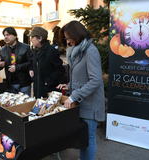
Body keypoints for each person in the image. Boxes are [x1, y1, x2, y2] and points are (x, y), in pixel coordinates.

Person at [57, 20, 105, 160]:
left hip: (91, 104)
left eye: (68, 36)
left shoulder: (90, 51)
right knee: (83, 140)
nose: (67, 40)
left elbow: (96, 80)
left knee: (88, 140)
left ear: (77, 34)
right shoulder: (78, 51)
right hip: (82, 102)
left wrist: (74, 95)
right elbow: (80, 76)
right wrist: (69, 85)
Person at [29, 26, 65, 98]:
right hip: (37, 89)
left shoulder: (51, 51)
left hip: (49, 90)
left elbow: (60, 70)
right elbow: (33, 64)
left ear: (40, 38)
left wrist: (47, 82)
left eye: (32, 37)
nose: (30, 40)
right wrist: (31, 70)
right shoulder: (35, 50)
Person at [0, 27, 32, 95]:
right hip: (11, 84)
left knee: (25, 105)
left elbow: (31, 63)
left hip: (24, 83)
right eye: (4, 35)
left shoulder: (25, 47)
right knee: (13, 105)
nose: (5, 37)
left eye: (8, 35)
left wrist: (17, 67)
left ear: (15, 36)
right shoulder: (2, 50)